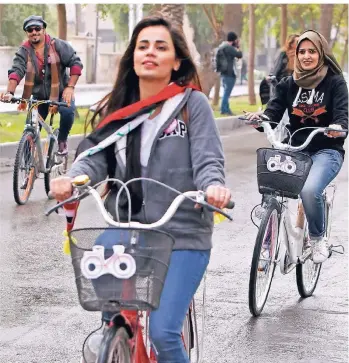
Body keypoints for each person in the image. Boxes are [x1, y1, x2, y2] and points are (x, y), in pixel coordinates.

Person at [50, 16, 232, 363]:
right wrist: (73, 180)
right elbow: (93, 160)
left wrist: (213, 187)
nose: (150, 53)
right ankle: (116, 338)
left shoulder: (192, 105)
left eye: (161, 47)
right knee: (101, 264)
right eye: (142, 46)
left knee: (164, 332)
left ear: (176, 60)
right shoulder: (119, 109)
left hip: (183, 233)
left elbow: (209, 160)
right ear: (133, 56)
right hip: (129, 228)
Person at [245, 30, 348, 264]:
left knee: (310, 190)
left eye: (312, 51)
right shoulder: (288, 83)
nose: (306, 56)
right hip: (296, 149)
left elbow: (343, 115)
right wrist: (260, 120)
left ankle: (318, 238)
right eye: (302, 51)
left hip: (327, 150)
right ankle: (267, 240)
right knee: (271, 181)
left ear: (321, 53)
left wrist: (339, 126)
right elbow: (273, 113)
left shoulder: (335, 82)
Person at [0, 15, 83, 155]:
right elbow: (16, 71)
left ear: (43, 29)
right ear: (27, 33)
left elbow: (76, 63)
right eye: (30, 29)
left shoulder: (58, 45)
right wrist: (10, 92)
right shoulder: (24, 51)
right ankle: (26, 166)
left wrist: (70, 87)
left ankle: (62, 140)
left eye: (37, 28)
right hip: (39, 97)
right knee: (29, 130)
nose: (34, 32)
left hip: (61, 92)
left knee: (68, 112)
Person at [216, 31, 243, 116]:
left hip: (223, 73)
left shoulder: (222, 46)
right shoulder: (229, 48)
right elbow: (239, 55)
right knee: (227, 93)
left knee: (225, 92)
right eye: (236, 40)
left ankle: (226, 109)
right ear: (234, 40)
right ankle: (224, 109)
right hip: (229, 74)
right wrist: (238, 47)